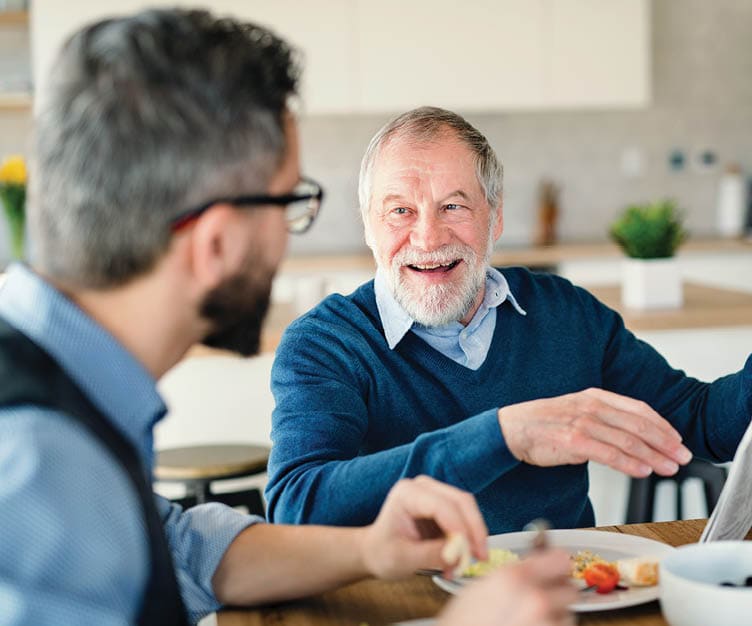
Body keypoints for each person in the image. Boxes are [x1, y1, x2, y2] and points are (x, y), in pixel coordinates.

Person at [0, 10, 578, 626]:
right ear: (216, 243)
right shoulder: (37, 459)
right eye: (290, 205)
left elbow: (182, 550)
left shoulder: (66, 390)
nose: (287, 238)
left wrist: (367, 548)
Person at [265, 106, 752, 533]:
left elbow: (701, 422)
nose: (428, 237)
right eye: (400, 211)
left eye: (453, 206)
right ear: (368, 226)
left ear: (495, 218)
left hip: (563, 592)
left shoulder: (566, 313)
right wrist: (505, 435)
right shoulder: (325, 344)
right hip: (405, 601)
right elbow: (298, 505)